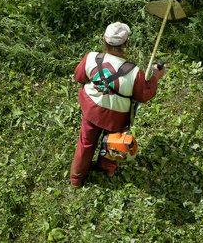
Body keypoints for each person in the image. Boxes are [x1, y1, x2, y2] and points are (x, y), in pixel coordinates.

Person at [70, 22, 165, 188]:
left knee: (85, 143)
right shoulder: (135, 73)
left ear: (104, 40)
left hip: (92, 111)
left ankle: (76, 179)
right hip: (117, 116)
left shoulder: (92, 58)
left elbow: (79, 77)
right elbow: (143, 96)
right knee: (114, 142)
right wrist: (155, 77)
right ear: (126, 43)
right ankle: (107, 169)